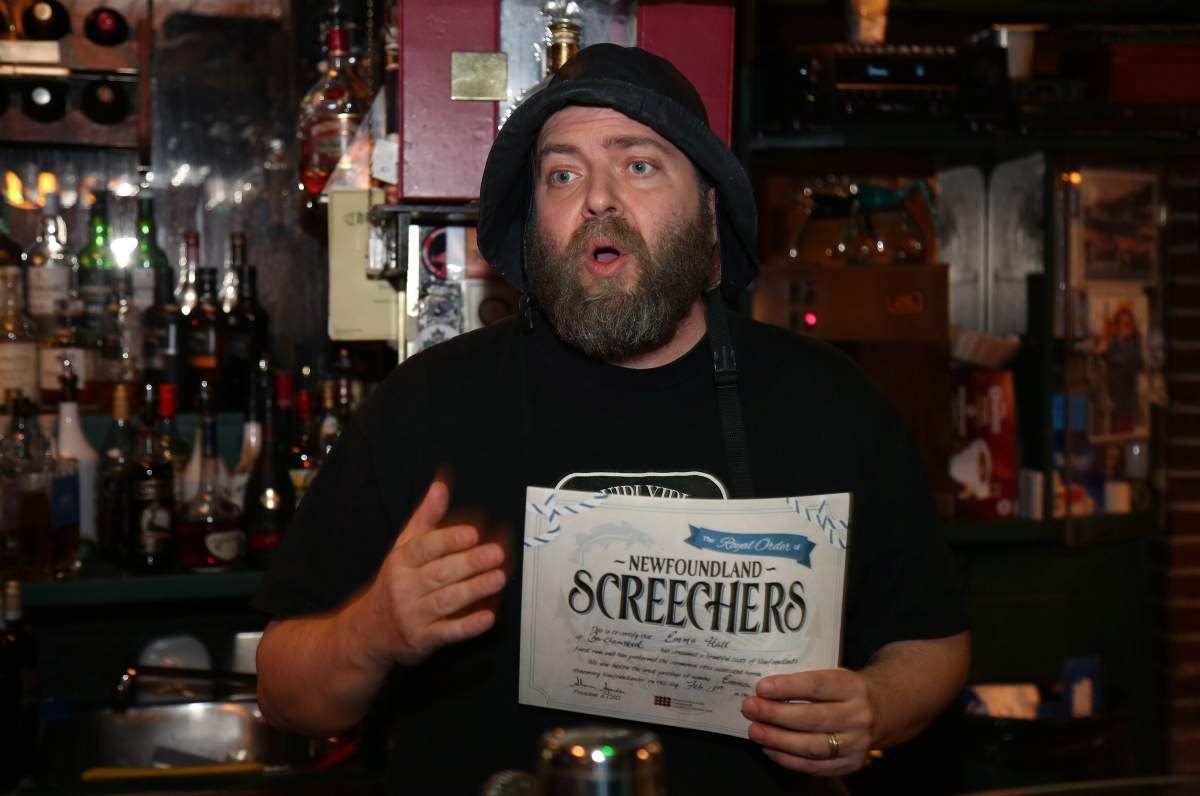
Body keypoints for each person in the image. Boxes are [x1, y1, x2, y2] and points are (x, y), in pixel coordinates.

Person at [253, 44, 969, 794]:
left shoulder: (829, 401)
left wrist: (876, 706)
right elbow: (283, 692)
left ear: (709, 211)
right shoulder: (424, 405)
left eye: (639, 165)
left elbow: (934, 645)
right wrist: (370, 634)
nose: (597, 198)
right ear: (535, 224)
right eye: (563, 174)